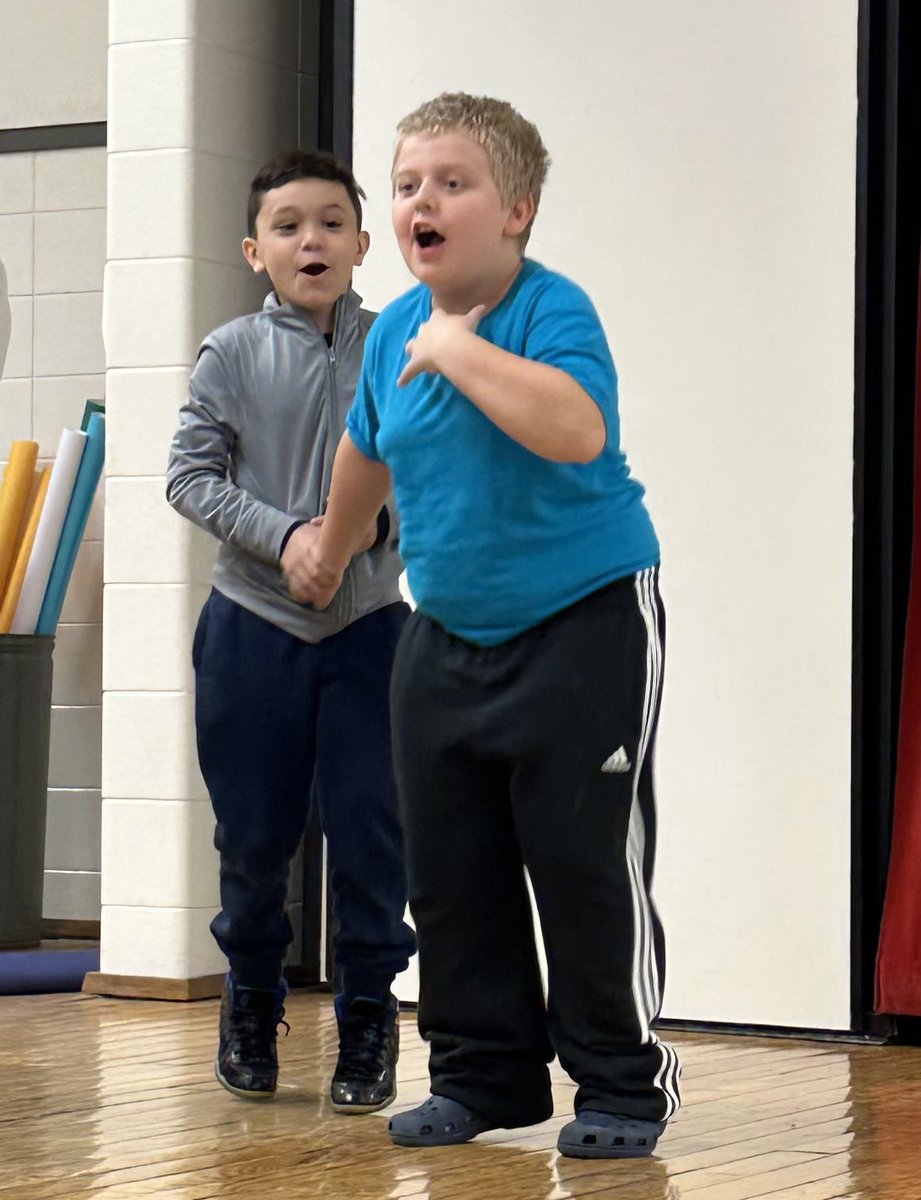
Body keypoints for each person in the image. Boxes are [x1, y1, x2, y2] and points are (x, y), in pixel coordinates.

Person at [288, 93, 682, 1158]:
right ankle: (484, 1078)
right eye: (409, 183)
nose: (424, 201)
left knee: (581, 862)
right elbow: (366, 450)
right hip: (446, 633)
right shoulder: (390, 340)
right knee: (452, 873)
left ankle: (621, 1088)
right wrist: (333, 542)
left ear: (517, 209)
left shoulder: (554, 311)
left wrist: (459, 350)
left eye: (451, 183)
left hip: (584, 622)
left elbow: (574, 427)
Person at [166, 149, 414, 1114]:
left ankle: (365, 1018)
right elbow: (190, 480)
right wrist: (288, 539)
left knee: (372, 835)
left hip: (371, 629)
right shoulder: (229, 352)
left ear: (360, 242)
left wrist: (360, 536)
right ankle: (252, 1001)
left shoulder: (401, 342)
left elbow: (431, 463)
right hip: (252, 632)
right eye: (286, 225)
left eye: (329, 222)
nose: (310, 239)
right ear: (254, 251)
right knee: (255, 838)